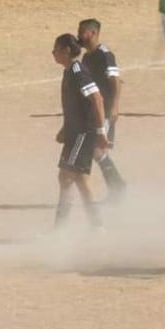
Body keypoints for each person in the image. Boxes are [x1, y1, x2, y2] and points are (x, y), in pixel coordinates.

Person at [52, 33, 109, 230]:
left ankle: (64, 229)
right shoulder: (69, 71)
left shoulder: (77, 71)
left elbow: (97, 98)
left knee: (70, 176)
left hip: (82, 133)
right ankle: (94, 226)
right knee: (74, 179)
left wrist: (101, 131)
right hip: (74, 132)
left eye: (56, 49)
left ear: (67, 51)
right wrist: (64, 128)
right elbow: (76, 105)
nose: (53, 53)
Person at [77, 18, 126, 200]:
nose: (78, 36)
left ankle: (118, 187)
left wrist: (115, 107)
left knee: (96, 150)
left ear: (93, 33)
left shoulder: (105, 55)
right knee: (97, 151)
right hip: (93, 111)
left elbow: (115, 80)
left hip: (104, 110)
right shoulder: (87, 57)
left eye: (82, 32)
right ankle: (118, 187)